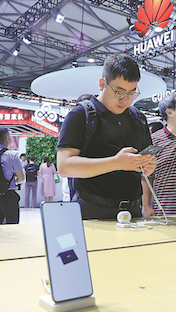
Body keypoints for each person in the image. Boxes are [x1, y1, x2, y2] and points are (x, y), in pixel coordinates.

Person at [57, 53, 156, 220]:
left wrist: (147, 165)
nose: (125, 99)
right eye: (119, 92)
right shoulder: (81, 115)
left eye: (132, 93)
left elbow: (146, 161)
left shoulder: (138, 119)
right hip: (92, 211)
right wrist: (116, 163)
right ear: (102, 84)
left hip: (133, 212)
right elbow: (64, 166)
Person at [0, 127, 25, 225]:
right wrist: (12, 181)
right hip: (8, 195)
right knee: (12, 227)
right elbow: (21, 178)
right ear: (7, 138)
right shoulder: (12, 155)